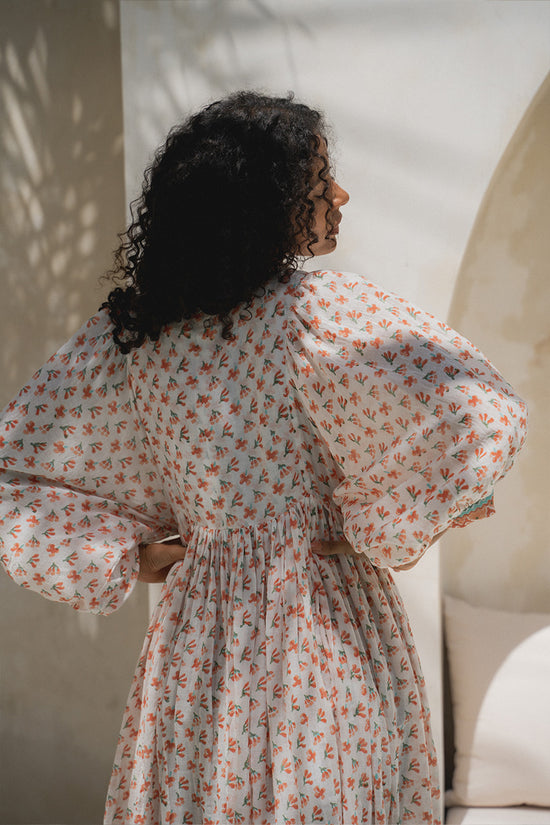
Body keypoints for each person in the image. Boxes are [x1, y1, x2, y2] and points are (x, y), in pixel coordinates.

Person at [0, 91, 527, 825]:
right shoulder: (316, 313)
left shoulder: (133, 338)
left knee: (208, 792)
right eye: (318, 182)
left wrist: (128, 554)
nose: (341, 195)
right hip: (323, 633)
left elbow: (21, 475)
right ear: (262, 204)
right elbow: (475, 405)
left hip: (198, 643)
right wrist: (402, 517)